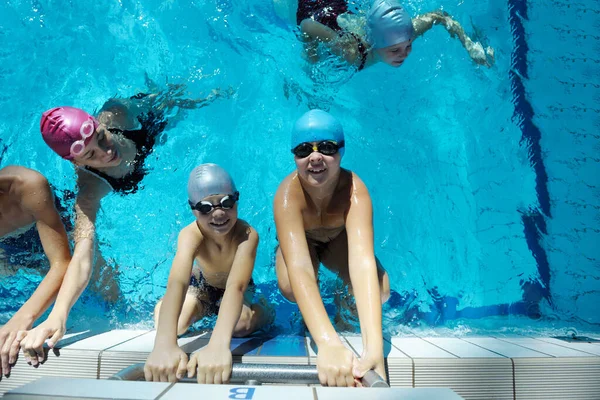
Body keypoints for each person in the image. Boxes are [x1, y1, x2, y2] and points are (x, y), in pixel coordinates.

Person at [19, 84, 229, 367]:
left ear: (99, 125)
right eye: (91, 155)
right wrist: (59, 314)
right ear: (76, 160)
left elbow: (167, 98)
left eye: (101, 137)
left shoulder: (118, 113)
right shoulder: (90, 190)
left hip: (149, 129)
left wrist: (205, 97)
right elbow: (82, 256)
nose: (106, 152)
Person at [274, 109, 390, 387]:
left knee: (381, 289)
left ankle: (339, 306)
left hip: (338, 240)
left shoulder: (355, 191)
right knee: (292, 286)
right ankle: (315, 317)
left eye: (326, 148)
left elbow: (362, 261)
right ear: (294, 157)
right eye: (304, 150)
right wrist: (327, 343)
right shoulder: (287, 196)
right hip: (302, 243)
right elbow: (300, 267)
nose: (315, 157)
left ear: (341, 152)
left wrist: (374, 350)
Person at [145, 164, 272, 384]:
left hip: (239, 286)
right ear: (192, 209)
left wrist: (217, 345)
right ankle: (167, 306)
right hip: (202, 285)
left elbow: (236, 286)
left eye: (227, 203)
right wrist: (164, 344)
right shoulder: (190, 234)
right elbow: (178, 280)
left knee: (241, 326)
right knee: (177, 326)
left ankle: (266, 310)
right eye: (206, 208)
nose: (219, 213)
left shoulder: (247, 234)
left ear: (236, 199)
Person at [0, 166, 71, 378]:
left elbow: (63, 262)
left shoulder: (28, 186)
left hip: (57, 229)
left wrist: (21, 318)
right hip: (8, 248)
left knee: (102, 289)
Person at [290, 0, 494, 70]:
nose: (404, 54)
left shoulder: (405, 35)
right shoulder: (353, 53)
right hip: (314, 8)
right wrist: (311, 56)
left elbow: (439, 16)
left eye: (408, 45)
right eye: (395, 50)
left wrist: (469, 45)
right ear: (374, 45)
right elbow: (308, 25)